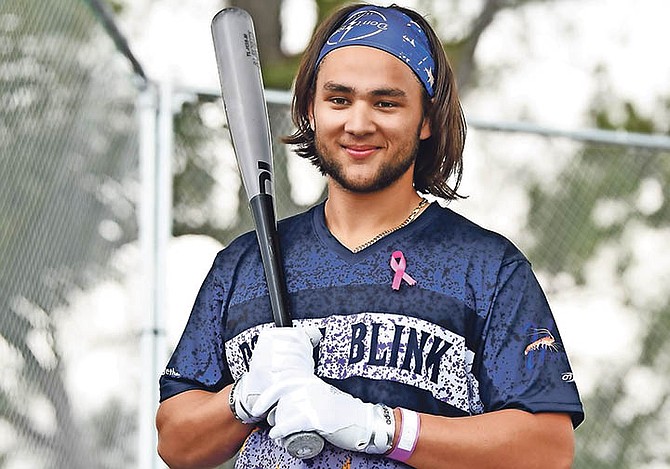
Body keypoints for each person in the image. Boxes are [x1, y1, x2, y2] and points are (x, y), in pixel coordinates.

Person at [156, 3, 584, 468]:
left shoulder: (485, 266)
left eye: (386, 103)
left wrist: (381, 428)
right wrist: (243, 398)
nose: (358, 124)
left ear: (425, 120)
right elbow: (176, 444)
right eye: (339, 100)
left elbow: (547, 449)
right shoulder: (246, 263)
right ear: (311, 111)